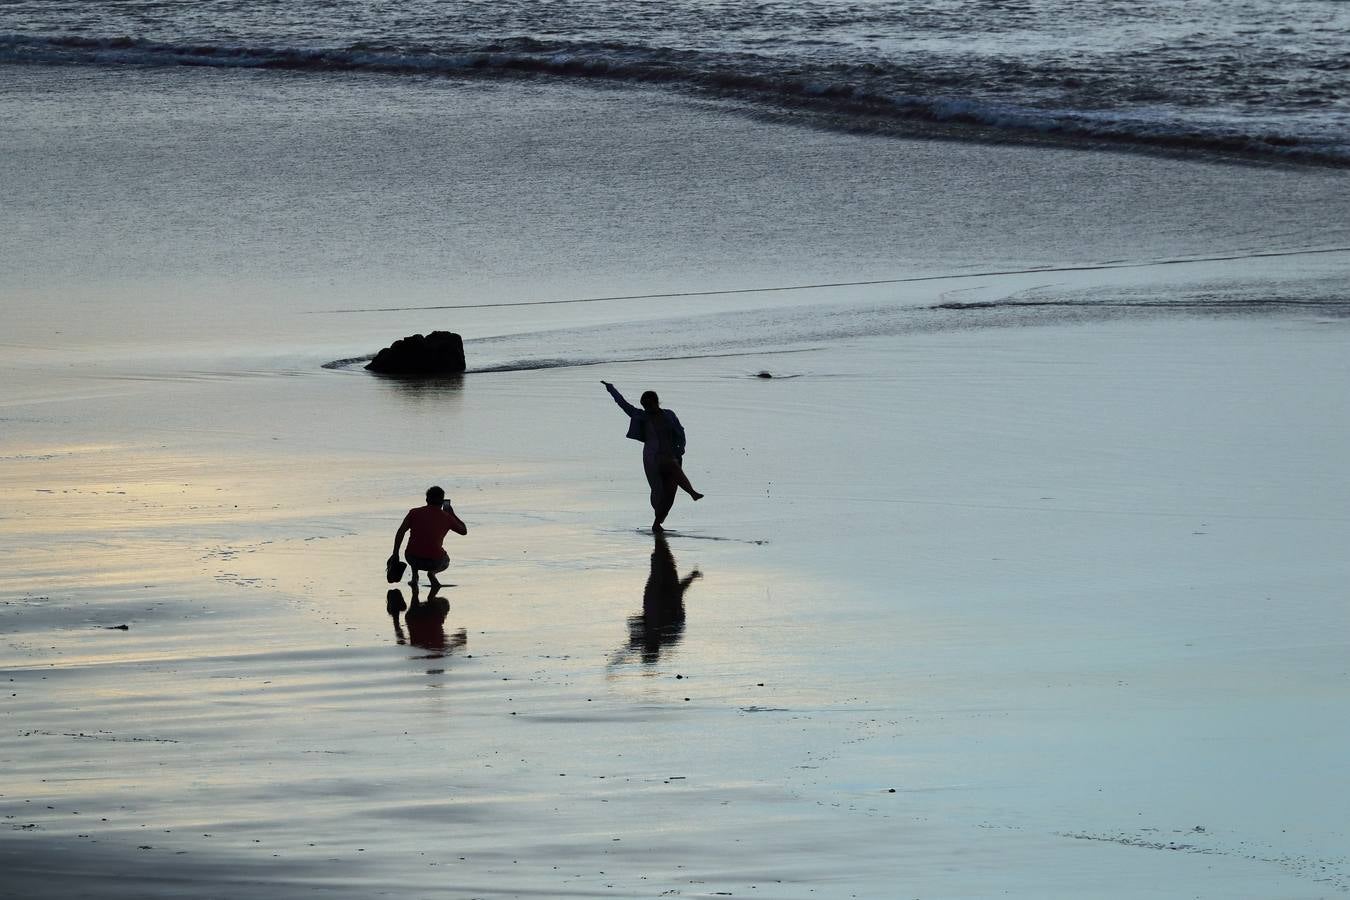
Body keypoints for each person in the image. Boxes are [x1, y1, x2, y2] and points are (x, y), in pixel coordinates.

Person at [602, 380, 702, 532]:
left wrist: (681, 449)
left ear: (656, 402)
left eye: (649, 405)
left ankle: (657, 523)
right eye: (644, 405)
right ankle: (692, 492)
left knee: (669, 494)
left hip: (672, 455)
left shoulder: (669, 414)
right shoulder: (641, 416)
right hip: (653, 458)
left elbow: (680, 431)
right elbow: (623, 404)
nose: (647, 408)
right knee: (668, 470)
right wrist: (611, 389)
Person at [391, 486, 467, 594]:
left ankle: (414, 577)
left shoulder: (414, 512)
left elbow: (400, 532)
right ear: (442, 501)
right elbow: (464, 531)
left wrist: (395, 554)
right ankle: (432, 573)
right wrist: (452, 514)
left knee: (414, 547)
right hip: (435, 562)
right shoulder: (447, 517)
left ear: (427, 499)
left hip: (412, 559)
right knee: (446, 560)